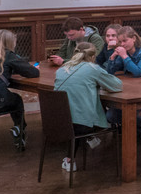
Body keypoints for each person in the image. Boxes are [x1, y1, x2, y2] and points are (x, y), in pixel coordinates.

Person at [53, 41, 123, 171]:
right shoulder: (92, 69)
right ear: (93, 56)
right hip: (82, 125)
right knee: (82, 113)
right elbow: (117, 85)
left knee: (75, 110)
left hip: (58, 122)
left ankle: (70, 160)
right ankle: (91, 136)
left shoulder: (61, 69)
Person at [102, 25, 141, 141]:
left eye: (125, 41)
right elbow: (109, 73)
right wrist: (112, 57)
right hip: (132, 87)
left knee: (118, 114)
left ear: (133, 38)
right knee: (111, 115)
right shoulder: (125, 51)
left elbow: (138, 71)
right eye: (120, 42)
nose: (122, 44)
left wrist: (124, 56)